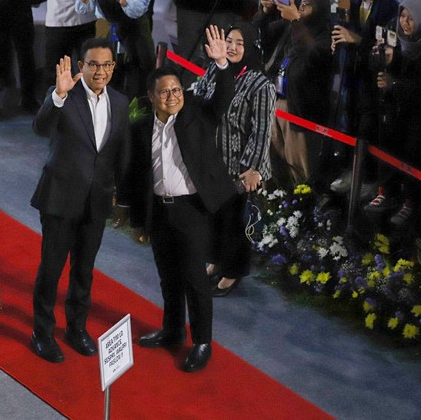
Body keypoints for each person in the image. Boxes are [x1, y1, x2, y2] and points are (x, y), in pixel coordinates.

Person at [125, 26, 236, 372]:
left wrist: (220, 65)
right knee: (167, 276)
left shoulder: (197, 115)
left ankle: (202, 341)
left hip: (192, 210)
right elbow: (136, 175)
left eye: (176, 89)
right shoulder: (141, 127)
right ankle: (173, 331)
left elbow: (222, 99)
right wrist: (139, 220)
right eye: (164, 91)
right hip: (159, 211)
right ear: (151, 96)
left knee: (194, 278)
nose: (172, 96)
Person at [30, 37, 130, 363]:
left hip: (96, 201)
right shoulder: (64, 94)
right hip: (60, 198)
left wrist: (121, 197)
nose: (99, 71)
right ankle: (42, 334)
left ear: (113, 67)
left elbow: (117, 154)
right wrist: (57, 95)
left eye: (106, 65)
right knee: (52, 270)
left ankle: (76, 328)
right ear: (81, 66)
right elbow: (40, 128)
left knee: (84, 271)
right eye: (93, 65)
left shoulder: (120, 102)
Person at [193, 23, 277, 297]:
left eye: (240, 43)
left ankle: (232, 272)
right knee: (213, 218)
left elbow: (262, 130)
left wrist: (253, 168)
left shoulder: (261, 85)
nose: (232, 47)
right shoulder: (215, 70)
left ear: (251, 47)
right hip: (211, 161)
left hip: (240, 167)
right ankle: (215, 260)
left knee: (233, 223)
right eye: (229, 40)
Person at [364, 0, 421, 229]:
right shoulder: (403, 40)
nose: (404, 22)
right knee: (388, 140)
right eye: (402, 15)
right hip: (400, 109)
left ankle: (411, 201)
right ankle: (389, 192)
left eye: (411, 18)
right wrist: (386, 62)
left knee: (414, 150)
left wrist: (394, 84)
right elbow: (388, 72)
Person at [253, 0, 333, 188]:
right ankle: (275, 205)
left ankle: (302, 212)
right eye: (300, 2)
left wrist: (296, 21)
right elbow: (259, 35)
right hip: (276, 103)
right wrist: (264, 12)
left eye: (306, 4)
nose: (301, 7)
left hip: (301, 111)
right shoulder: (289, 28)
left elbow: (314, 55)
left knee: (301, 173)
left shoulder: (325, 35)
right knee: (274, 165)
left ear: (319, 7)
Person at [328, 0, 398, 198]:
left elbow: (389, 48)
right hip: (351, 77)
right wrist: (337, 43)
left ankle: (368, 177)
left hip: (374, 80)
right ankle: (351, 170)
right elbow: (341, 28)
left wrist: (358, 40)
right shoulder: (350, 0)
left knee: (368, 127)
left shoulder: (388, 7)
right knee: (350, 122)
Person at [76, 0, 155, 99]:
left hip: (135, 27)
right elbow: (83, 9)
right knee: (103, 67)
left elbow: (141, 5)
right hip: (106, 25)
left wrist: (124, 1)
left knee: (140, 68)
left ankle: (139, 103)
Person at [41, 0, 97, 100]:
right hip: (58, 18)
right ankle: (53, 110)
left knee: (89, 69)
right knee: (56, 71)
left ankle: (91, 110)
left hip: (85, 17)